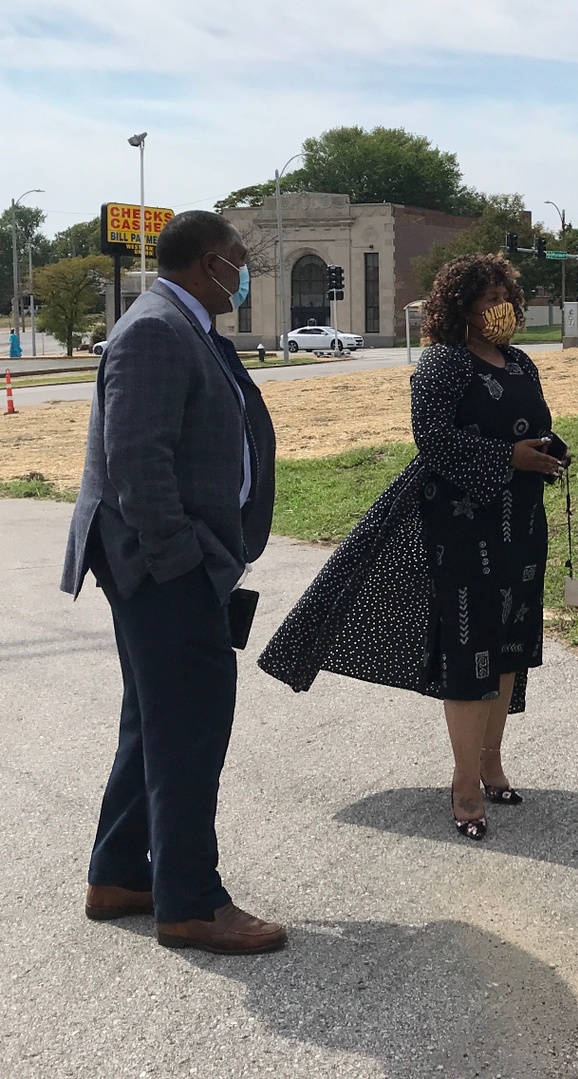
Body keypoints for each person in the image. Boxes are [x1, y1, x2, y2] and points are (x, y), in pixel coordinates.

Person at [259, 253, 566, 839]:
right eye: (487, 301)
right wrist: (507, 458)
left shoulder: (522, 363)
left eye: (506, 297)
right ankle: (464, 782)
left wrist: (548, 450)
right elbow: (434, 442)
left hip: (521, 521)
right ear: (460, 309)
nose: (500, 310)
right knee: (469, 651)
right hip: (460, 527)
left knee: (509, 647)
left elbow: (532, 423)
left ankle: (493, 760)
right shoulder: (442, 365)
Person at [60, 210, 282, 955]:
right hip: (165, 568)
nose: (245, 274)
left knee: (154, 720)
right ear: (208, 262)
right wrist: (182, 561)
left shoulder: (186, 325)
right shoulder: (155, 328)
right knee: (189, 728)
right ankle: (189, 901)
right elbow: (137, 463)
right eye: (239, 260)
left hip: (177, 562)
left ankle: (120, 872)